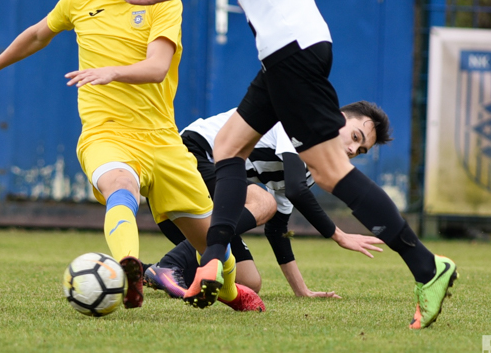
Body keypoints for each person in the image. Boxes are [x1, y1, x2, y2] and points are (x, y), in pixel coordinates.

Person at [121, 0, 457, 329]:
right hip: (297, 47)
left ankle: (427, 267)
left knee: (331, 172)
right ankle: (212, 260)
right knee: (228, 147)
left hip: (290, 52)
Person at [0, 0, 266, 312]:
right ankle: (128, 267)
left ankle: (228, 292)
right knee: (120, 185)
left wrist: (112, 72)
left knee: (217, 249)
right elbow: (38, 34)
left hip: (162, 140)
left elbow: (157, 67)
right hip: (105, 133)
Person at [146, 102, 388, 301]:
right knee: (264, 202)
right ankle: (172, 262)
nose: (353, 149)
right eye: (355, 136)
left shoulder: (309, 169)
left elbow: (277, 230)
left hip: (187, 209)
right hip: (187, 157)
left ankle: (144, 271)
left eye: (361, 149)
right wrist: (338, 234)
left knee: (249, 282)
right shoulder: (301, 122)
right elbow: (295, 191)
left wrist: (302, 290)